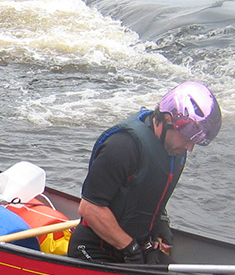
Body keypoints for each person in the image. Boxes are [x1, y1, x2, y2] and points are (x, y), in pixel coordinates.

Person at [68, 82, 221, 264]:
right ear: (168, 120)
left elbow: (148, 193)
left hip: (136, 247)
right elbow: (90, 208)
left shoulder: (175, 152)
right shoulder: (122, 146)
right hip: (95, 249)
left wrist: (160, 222)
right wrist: (129, 248)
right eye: (188, 139)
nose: (190, 147)